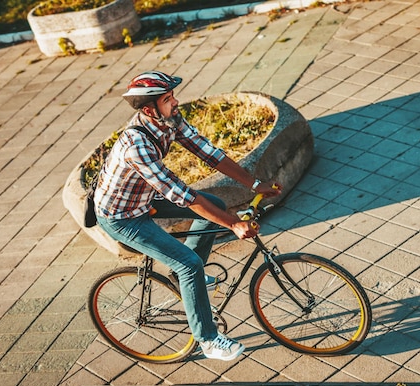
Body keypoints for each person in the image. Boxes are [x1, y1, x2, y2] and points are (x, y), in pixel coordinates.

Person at [93, 71, 281, 361]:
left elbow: (210, 154)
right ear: (148, 109)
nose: (175, 102)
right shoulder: (137, 147)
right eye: (168, 99)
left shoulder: (168, 121)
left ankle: (186, 280)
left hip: (144, 199)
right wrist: (233, 224)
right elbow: (184, 196)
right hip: (121, 216)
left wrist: (255, 184)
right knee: (189, 263)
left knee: (213, 204)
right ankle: (208, 340)